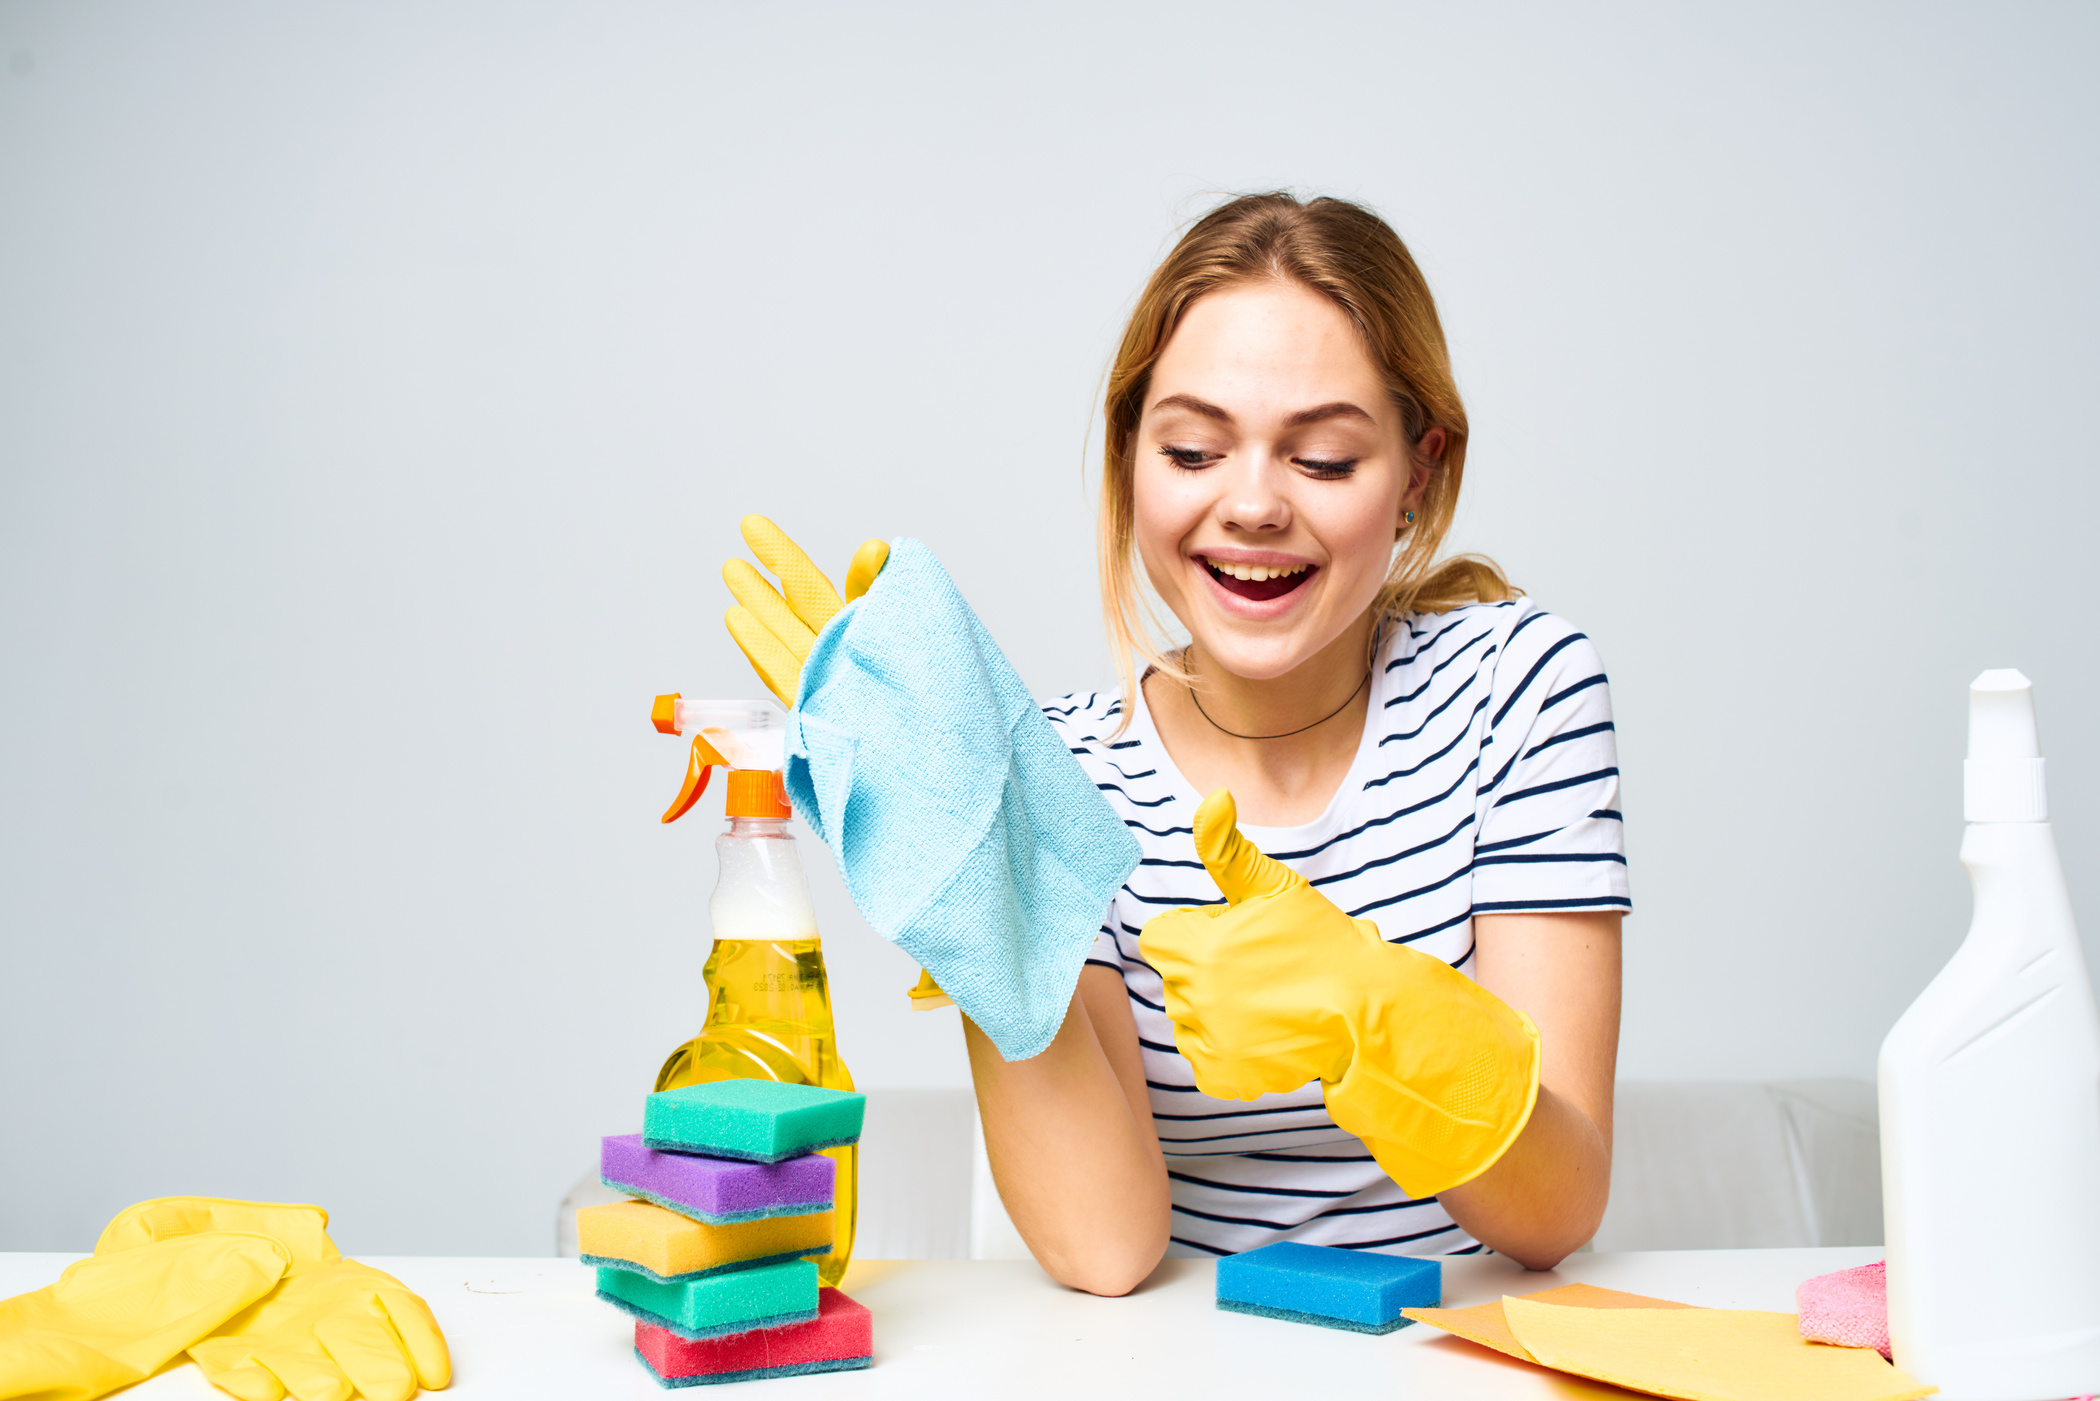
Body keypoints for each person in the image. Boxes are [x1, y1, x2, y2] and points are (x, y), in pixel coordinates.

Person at [965, 192, 1627, 1295]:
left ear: (1420, 471)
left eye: (1322, 459)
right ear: (1132, 460)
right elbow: (1106, 1251)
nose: (1255, 506)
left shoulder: (1519, 692)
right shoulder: (1063, 776)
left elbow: (1555, 1213)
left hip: (1466, 1362)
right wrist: (976, 901)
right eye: (1192, 450)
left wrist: (1374, 1011)